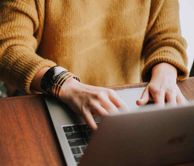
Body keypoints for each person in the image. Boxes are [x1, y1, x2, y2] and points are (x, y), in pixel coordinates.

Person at [0, 0, 189, 130]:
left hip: (124, 106)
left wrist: (165, 72)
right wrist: (65, 85)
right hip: (52, 103)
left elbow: (166, 37)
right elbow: (8, 48)